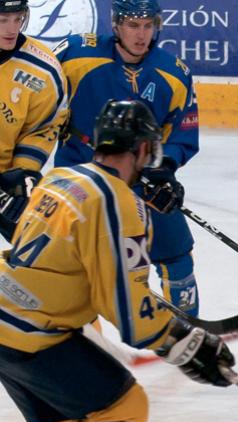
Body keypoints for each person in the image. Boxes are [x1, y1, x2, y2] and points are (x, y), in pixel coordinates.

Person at [0, 100, 235, 422]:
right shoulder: (121, 205)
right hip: (37, 333)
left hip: (6, 318)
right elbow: (129, 314)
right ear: (144, 149)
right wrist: (182, 341)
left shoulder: (62, 177)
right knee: (125, 406)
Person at [54, 0, 200, 315]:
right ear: (116, 25)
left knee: (176, 251)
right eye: (133, 25)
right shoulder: (77, 55)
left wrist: (164, 166)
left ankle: (187, 326)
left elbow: (182, 133)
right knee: (71, 262)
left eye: (147, 26)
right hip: (81, 173)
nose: (141, 35)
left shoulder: (174, 72)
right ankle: (72, 331)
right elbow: (40, 97)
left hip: (142, 177)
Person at [0, 0, 69, 242]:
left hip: (3, 179)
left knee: (39, 246)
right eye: (3, 20)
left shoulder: (43, 70)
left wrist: (22, 174)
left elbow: (43, 128)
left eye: (18, 18)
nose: (12, 29)